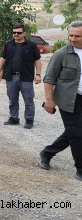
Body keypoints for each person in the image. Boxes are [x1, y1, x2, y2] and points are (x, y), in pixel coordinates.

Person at [38, 21, 82, 181]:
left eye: (77, 36)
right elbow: (49, 78)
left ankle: (47, 152)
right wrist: (49, 100)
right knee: (77, 134)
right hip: (68, 100)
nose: (73, 39)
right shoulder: (61, 54)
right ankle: (80, 169)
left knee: (74, 131)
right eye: (71, 35)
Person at [0, 24, 42, 129]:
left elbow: (37, 60)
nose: (16, 34)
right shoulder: (8, 44)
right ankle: (14, 118)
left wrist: (38, 74)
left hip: (26, 77)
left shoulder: (31, 45)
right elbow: (3, 58)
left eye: (19, 32)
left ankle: (29, 120)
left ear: (24, 33)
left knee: (28, 99)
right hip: (11, 77)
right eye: (14, 32)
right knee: (12, 98)